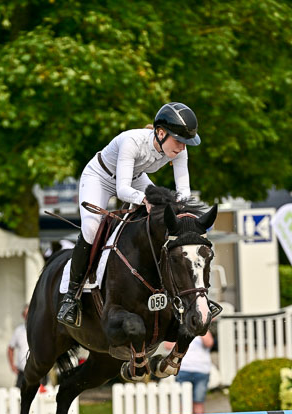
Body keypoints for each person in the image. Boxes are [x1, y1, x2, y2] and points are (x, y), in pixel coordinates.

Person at [57, 102, 202, 328]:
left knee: (165, 217)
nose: (183, 148)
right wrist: (145, 200)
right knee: (91, 228)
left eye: (185, 143)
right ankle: (71, 296)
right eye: (179, 141)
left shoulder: (177, 150)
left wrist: (180, 212)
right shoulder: (132, 141)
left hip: (135, 178)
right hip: (101, 177)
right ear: (161, 133)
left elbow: (183, 191)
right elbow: (122, 190)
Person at [164, 331, 214, 414]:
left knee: (198, 402)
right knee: (183, 403)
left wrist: (199, 329)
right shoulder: (180, 328)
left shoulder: (202, 329)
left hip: (201, 370)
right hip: (183, 369)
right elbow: (168, 346)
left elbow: (209, 343)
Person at [7, 305, 29, 389]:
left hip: (39, 374)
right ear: (23, 316)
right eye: (26, 314)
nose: (28, 316)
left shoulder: (41, 329)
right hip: (22, 373)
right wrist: (12, 365)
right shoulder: (19, 331)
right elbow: (10, 348)